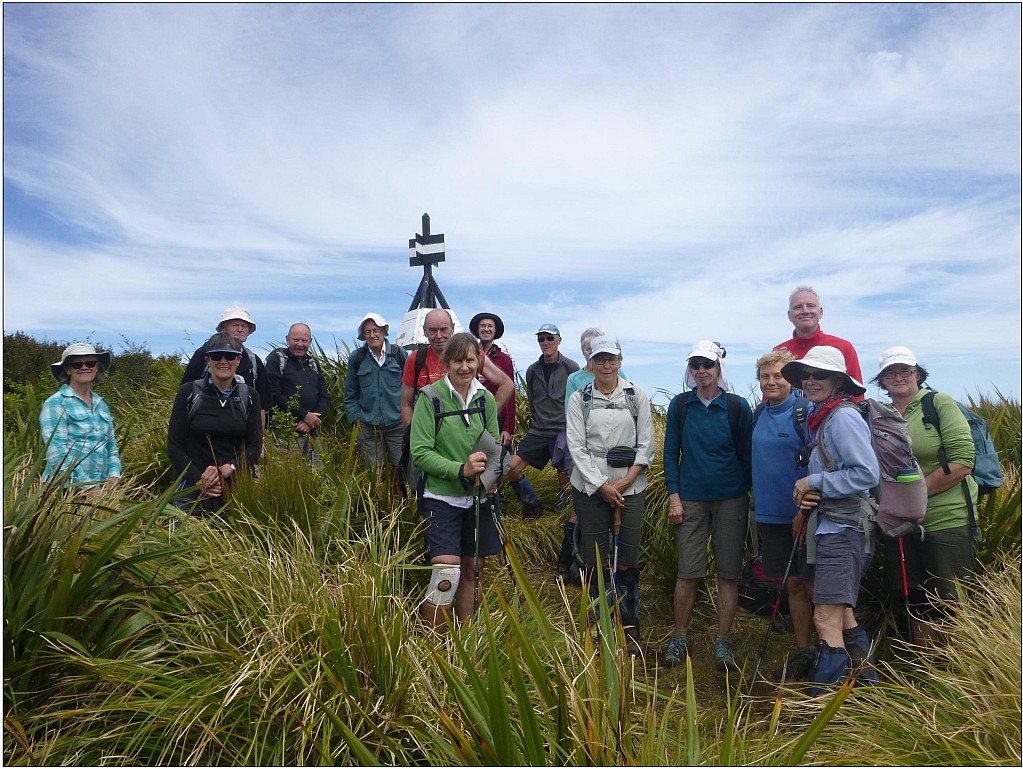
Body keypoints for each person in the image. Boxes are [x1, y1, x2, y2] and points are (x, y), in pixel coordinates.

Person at [783, 346, 880, 695]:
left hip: (845, 529)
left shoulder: (842, 418)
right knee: (843, 615)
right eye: (806, 376)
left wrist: (814, 483)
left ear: (838, 381)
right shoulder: (823, 416)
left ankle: (821, 704)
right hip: (836, 526)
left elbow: (866, 473)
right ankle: (868, 687)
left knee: (824, 618)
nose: (810, 381)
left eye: (819, 375)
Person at [871, 345, 978, 645]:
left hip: (947, 519)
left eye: (905, 370)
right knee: (914, 597)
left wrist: (909, 497)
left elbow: (962, 462)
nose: (898, 376)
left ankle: (962, 670)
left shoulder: (938, 403)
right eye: (890, 372)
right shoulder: (880, 413)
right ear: (881, 379)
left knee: (949, 599)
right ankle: (927, 669)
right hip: (899, 523)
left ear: (918, 373)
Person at [662, 341, 752, 671]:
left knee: (728, 573)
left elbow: (747, 456)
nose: (701, 371)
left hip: (731, 498)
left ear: (718, 368)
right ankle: (680, 635)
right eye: (695, 365)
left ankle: (723, 640)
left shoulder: (737, 407)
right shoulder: (680, 406)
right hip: (691, 498)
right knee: (688, 572)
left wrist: (742, 490)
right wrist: (674, 495)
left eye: (707, 365)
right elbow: (671, 452)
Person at [566, 335, 654, 655]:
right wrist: (601, 485)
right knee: (596, 558)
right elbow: (576, 446)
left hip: (631, 487)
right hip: (589, 488)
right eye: (599, 359)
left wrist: (626, 481)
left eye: (611, 359)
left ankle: (629, 627)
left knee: (627, 558)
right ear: (591, 362)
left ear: (620, 361)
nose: (605, 365)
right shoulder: (580, 399)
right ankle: (600, 624)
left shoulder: (636, 395)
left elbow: (646, 445)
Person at [410, 333, 502, 628]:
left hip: (478, 499)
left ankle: (465, 640)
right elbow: (420, 453)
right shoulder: (429, 397)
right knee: (446, 572)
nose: (464, 367)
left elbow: (492, 448)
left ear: (478, 362)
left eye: (470, 360)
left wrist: (490, 476)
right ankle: (432, 647)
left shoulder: (485, 399)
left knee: (473, 569)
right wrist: (460, 469)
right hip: (441, 498)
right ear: (446, 362)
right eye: (458, 360)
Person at [751, 349, 815, 680]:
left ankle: (830, 651)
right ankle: (805, 652)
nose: (772, 381)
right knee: (791, 584)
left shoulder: (804, 411)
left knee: (812, 584)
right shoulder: (760, 411)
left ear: (790, 378)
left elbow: (819, 463)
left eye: (778, 375)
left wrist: (805, 509)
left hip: (802, 515)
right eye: (765, 376)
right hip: (769, 515)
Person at [167, 332, 263, 516]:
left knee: (234, 543)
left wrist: (228, 469)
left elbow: (255, 446)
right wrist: (199, 479)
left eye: (230, 356)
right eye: (217, 356)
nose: (223, 361)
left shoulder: (249, 396)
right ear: (208, 360)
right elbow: (174, 446)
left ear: (238, 360)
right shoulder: (189, 392)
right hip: (191, 487)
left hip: (235, 487)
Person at [468, 311, 544, 518]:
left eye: (489, 326)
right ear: (477, 329)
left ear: (495, 331)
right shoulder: (468, 354)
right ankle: (489, 505)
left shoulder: (504, 359)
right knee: (480, 461)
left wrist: (507, 428)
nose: (486, 329)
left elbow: (509, 394)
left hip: (497, 417)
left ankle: (530, 504)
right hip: (473, 417)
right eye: (482, 326)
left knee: (503, 463)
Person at [506, 323, 580, 519]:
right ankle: (533, 506)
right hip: (538, 431)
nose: (545, 342)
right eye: (541, 339)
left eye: (550, 338)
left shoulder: (571, 367)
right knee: (511, 468)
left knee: (565, 482)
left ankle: (562, 520)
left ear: (559, 340)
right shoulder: (532, 370)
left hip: (563, 431)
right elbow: (532, 400)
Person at [40, 343, 121, 497]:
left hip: (101, 490)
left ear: (97, 367)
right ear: (68, 370)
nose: (84, 367)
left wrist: (114, 477)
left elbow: (111, 447)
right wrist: (86, 487)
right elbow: (56, 451)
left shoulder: (101, 405)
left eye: (90, 363)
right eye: (77, 364)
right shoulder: (56, 403)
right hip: (64, 490)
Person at [182, 306, 271, 426]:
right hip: (203, 429)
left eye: (244, 326)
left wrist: (260, 438)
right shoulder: (203, 354)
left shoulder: (253, 361)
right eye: (235, 325)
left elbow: (261, 405)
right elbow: (185, 396)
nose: (240, 329)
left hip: (242, 431)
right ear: (223, 328)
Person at [344, 313, 407, 479]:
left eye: (376, 330)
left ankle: (403, 502)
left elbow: (410, 388)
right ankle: (377, 503)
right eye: (368, 332)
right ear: (363, 336)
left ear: (384, 331)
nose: (372, 335)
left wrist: (409, 417)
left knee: (403, 468)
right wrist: (356, 419)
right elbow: (350, 393)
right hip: (367, 425)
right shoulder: (357, 358)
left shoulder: (399, 354)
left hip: (397, 423)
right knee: (374, 473)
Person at [774, 286, 864, 395]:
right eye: (798, 307)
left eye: (810, 306)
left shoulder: (843, 347)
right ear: (789, 315)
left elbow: (856, 395)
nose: (805, 311)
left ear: (820, 312)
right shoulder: (779, 352)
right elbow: (769, 397)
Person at [264, 323, 329, 467]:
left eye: (304, 340)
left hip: (313, 431)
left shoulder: (313, 364)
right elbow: (273, 394)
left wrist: (312, 420)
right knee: (288, 475)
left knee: (316, 474)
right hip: (285, 433)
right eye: (296, 340)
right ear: (287, 339)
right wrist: (304, 415)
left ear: (310, 342)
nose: (300, 344)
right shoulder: (276, 361)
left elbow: (324, 395)